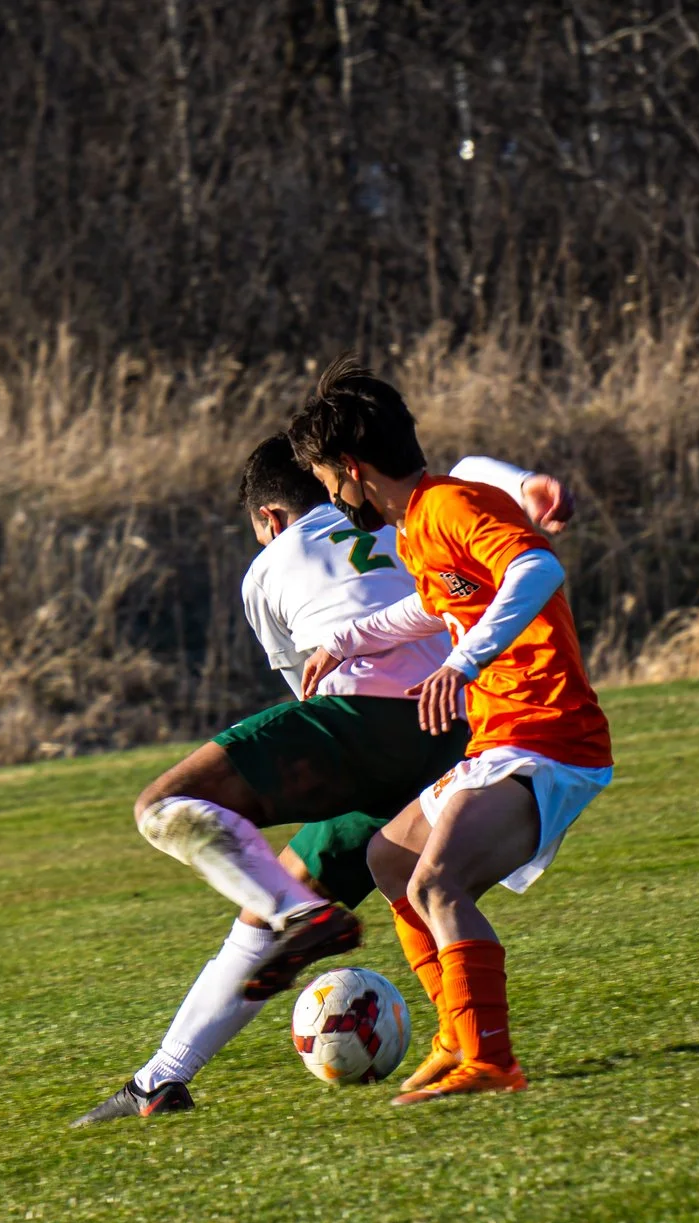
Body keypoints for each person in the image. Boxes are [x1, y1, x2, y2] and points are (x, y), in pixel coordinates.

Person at [70, 435, 473, 1126]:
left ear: (271, 520)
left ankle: (300, 915)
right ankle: (160, 1080)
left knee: (165, 803)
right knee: (270, 905)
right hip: (458, 731)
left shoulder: (269, 567)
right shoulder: (401, 527)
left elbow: (309, 692)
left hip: (365, 722)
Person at [290, 360, 615, 1106]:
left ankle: (490, 1058)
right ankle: (456, 1038)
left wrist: (465, 664)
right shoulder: (421, 525)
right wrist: (350, 640)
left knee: (439, 883)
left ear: (351, 469)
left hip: (550, 736)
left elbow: (535, 570)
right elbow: (436, 607)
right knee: (391, 859)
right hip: (506, 737)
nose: (335, 502)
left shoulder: (450, 508)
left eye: (329, 483)